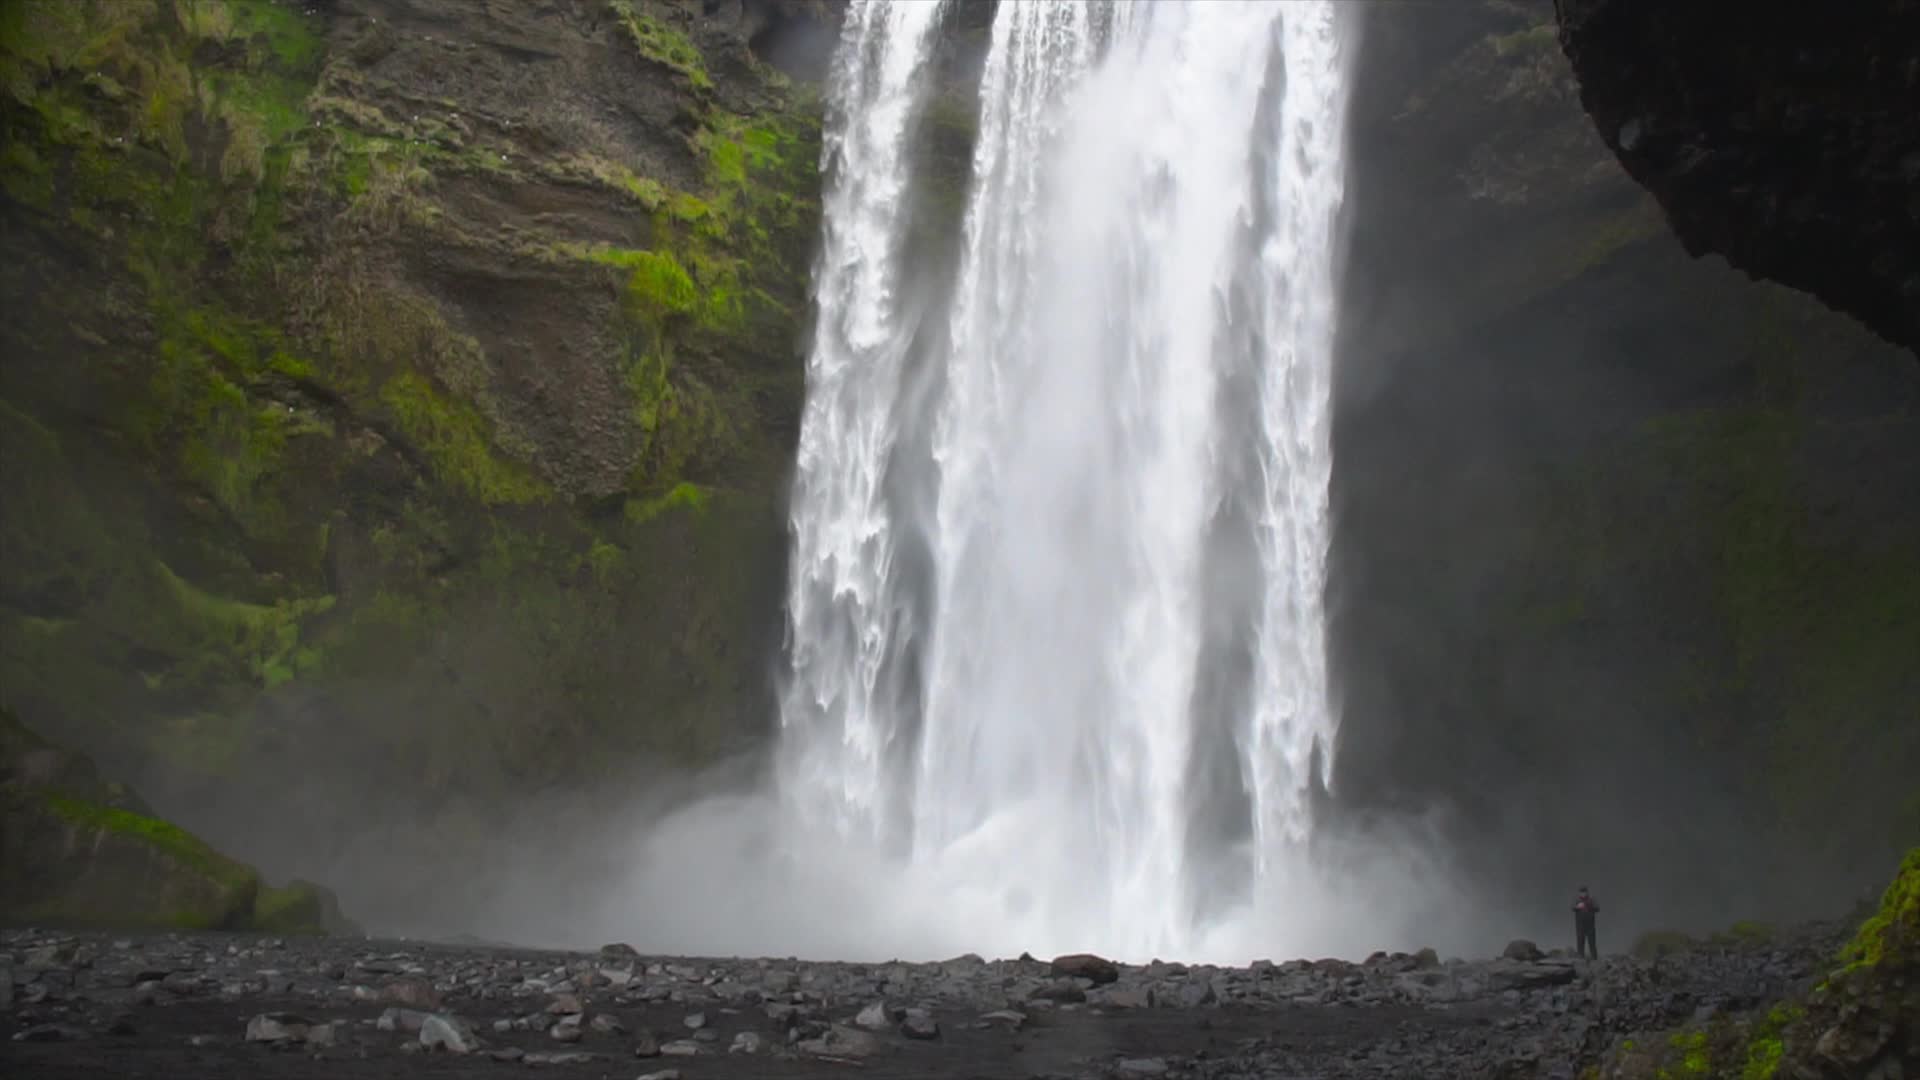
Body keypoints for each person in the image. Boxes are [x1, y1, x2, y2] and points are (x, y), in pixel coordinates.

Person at [1573, 885, 1600, 959]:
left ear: (1587, 892)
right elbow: (1572, 907)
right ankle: (1580, 958)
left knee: (1592, 943)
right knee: (1580, 943)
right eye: (1581, 892)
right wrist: (1577, 907)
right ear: (1579, 893)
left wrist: (1589, 905)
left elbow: (1597, 908)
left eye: (1584, 892)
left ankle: (1594, 959)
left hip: (1590, 925)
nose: (1583, 894)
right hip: (1580, 925)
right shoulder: (1577, 900)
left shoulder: (1591, 899)